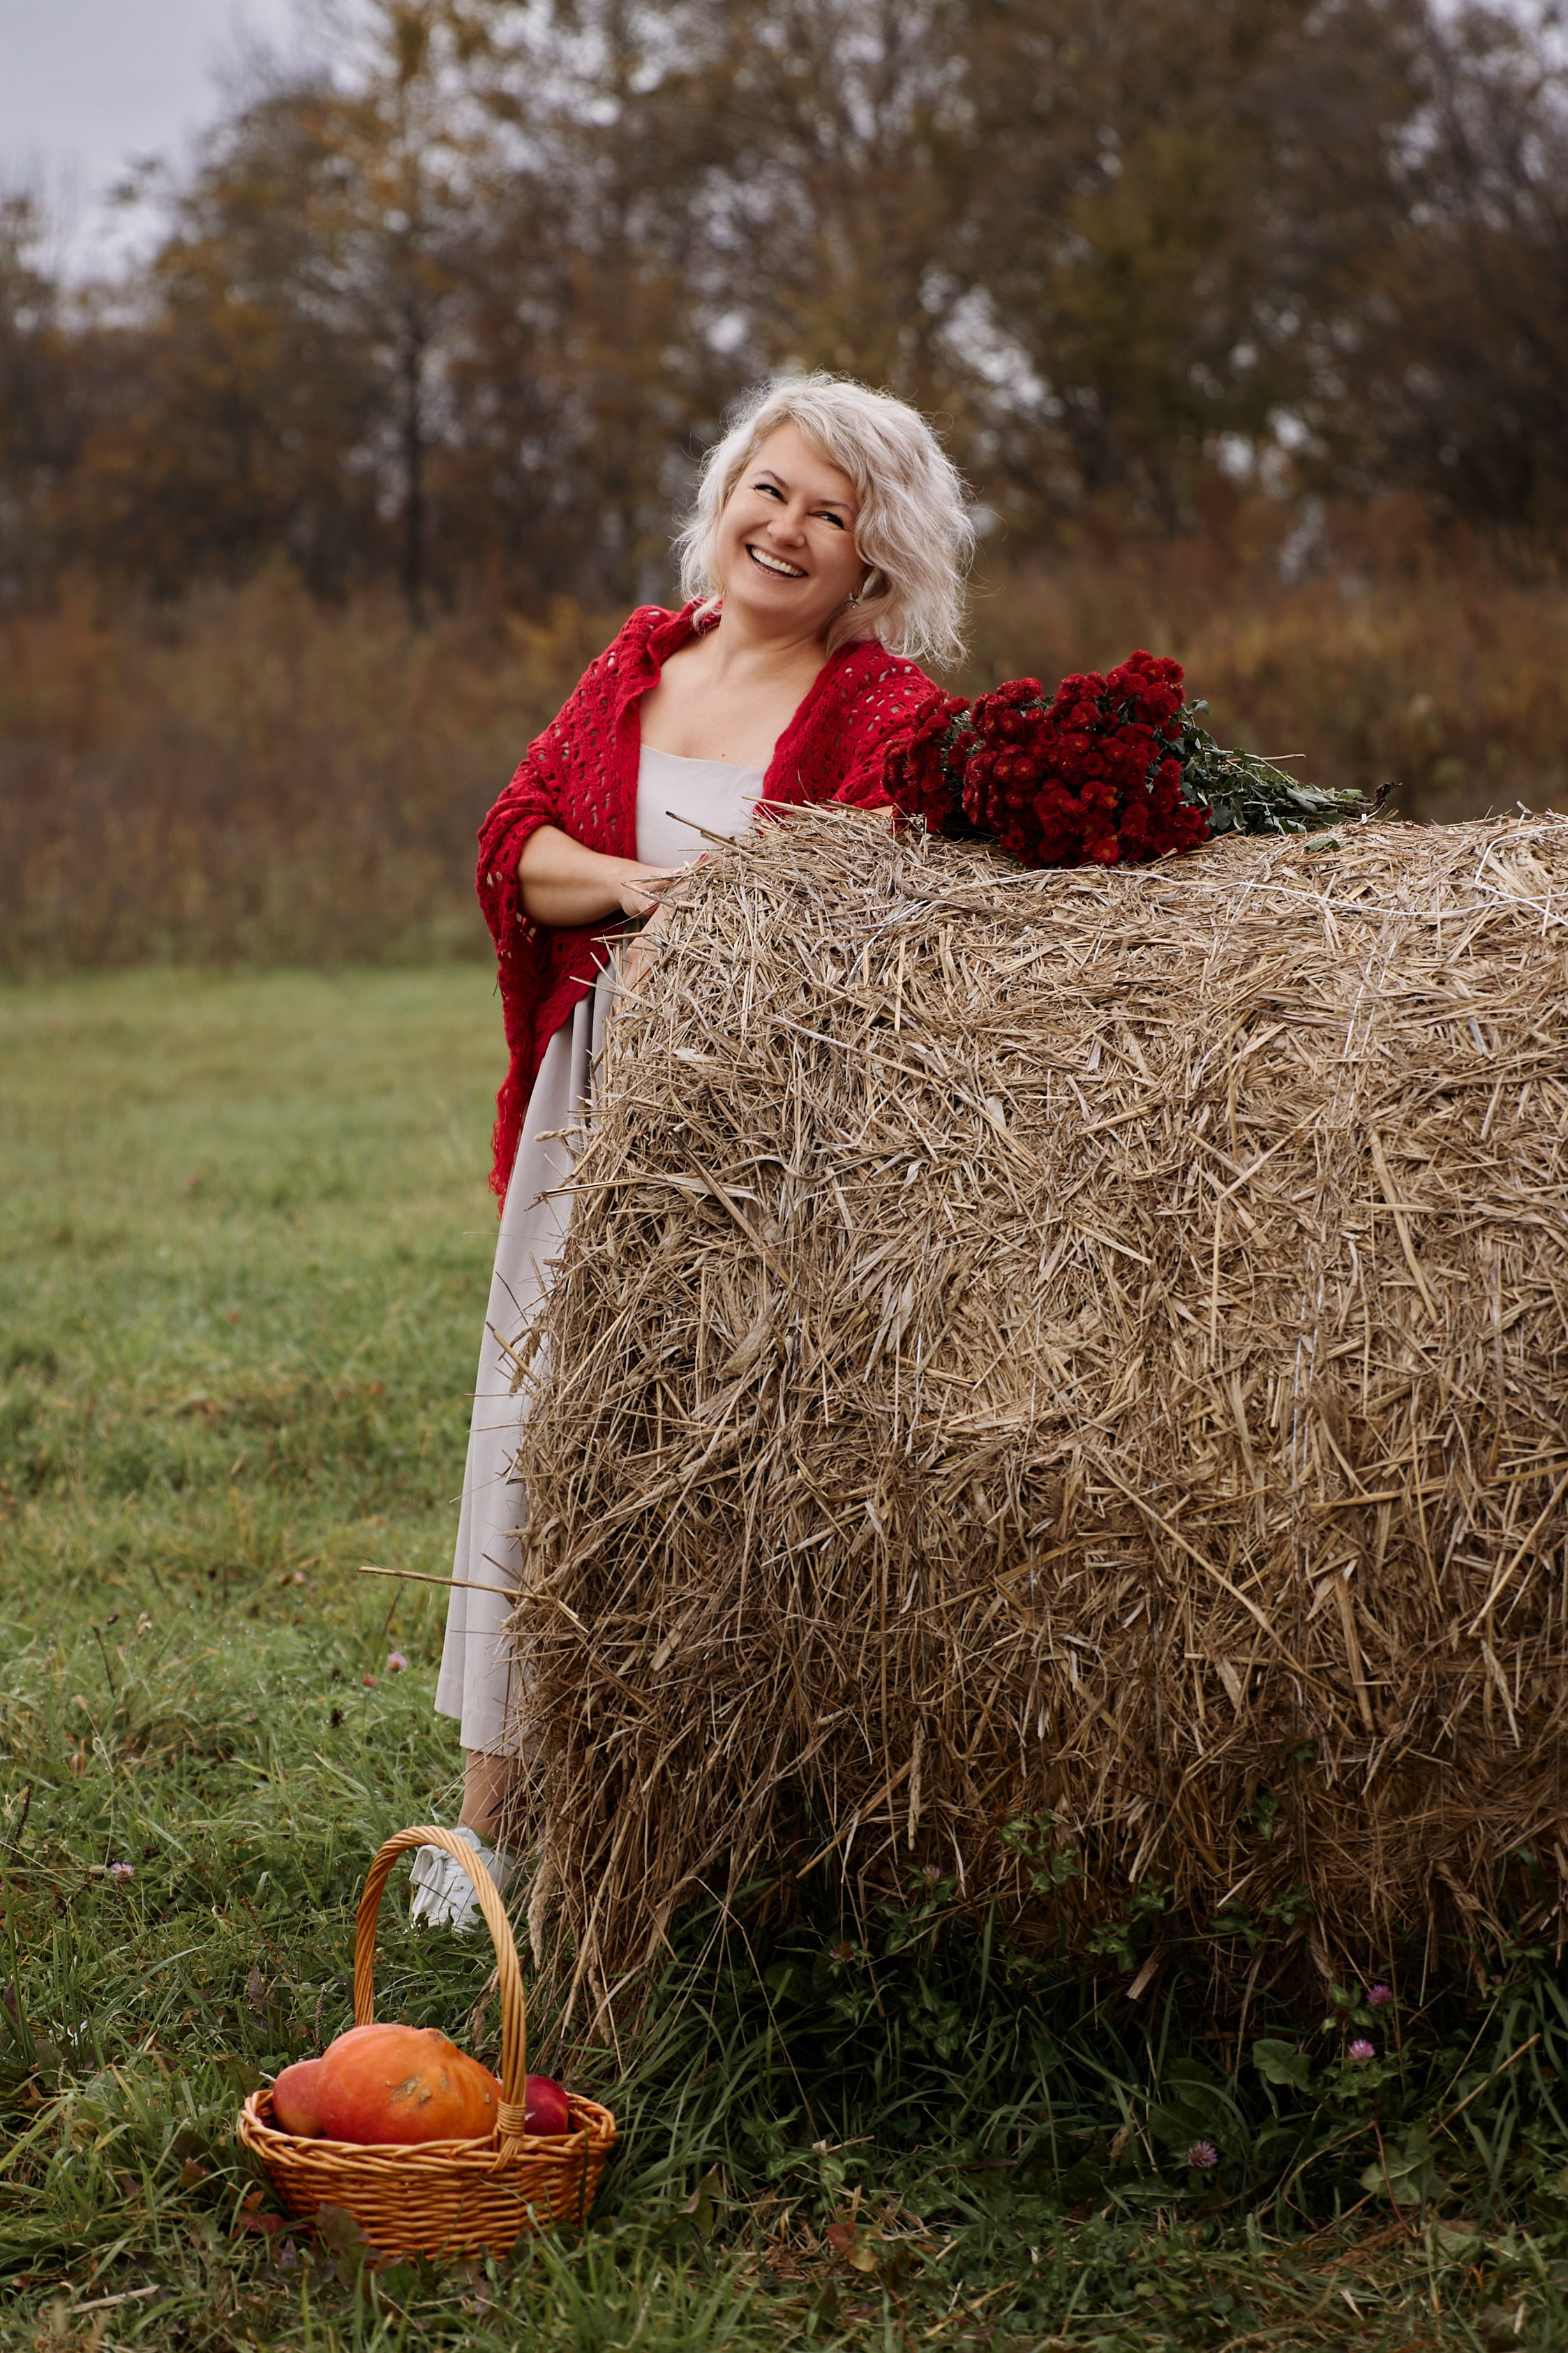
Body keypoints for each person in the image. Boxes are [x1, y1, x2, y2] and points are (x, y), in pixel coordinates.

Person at [410, 373, 973, 1928]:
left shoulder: (881, 714)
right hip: (596, 1111)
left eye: (830, 512)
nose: (786, 529)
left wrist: (696, 928)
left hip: (762, 1149)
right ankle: (493, 1821)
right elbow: (513, 851)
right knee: (534, 1429)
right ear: (723, 498)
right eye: (768, 490)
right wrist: (642, 890)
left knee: (711, 1459)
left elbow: (877, 911)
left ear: (876, 558)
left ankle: (712, 1819)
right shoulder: (637, 663)